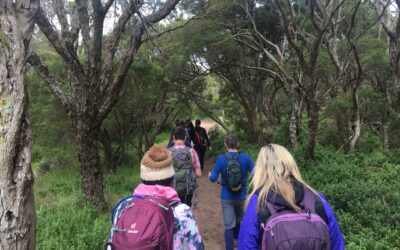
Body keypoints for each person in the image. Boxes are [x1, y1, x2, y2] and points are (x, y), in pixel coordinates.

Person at [238, 144, 344, 250]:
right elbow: (337, 244)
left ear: (261, 169)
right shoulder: (316, 198)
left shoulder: (258, 201)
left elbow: (246, 245)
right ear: (291, 165)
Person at [132, 145, 204, 249]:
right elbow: (196, 246)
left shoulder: (124, 208)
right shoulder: (181, 212)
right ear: (171, 179)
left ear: (142, 178)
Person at [209, 134, 255, 250]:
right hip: (242, 196)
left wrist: (211, 176)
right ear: (238, 144)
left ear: (225, 145)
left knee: (229, 225)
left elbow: (213, 178)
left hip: (227, 196)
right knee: (239, 221)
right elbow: (256, 173)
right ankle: (240, 245)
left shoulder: (221, 159)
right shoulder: (245, 157)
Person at [169, 127, 202, 207]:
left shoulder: (167, 152)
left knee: (173, 211)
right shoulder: (192, 151)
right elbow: (199, 174)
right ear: (186, 137)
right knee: (186, 209)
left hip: (173, 189)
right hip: (188, 188)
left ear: (173, 137)